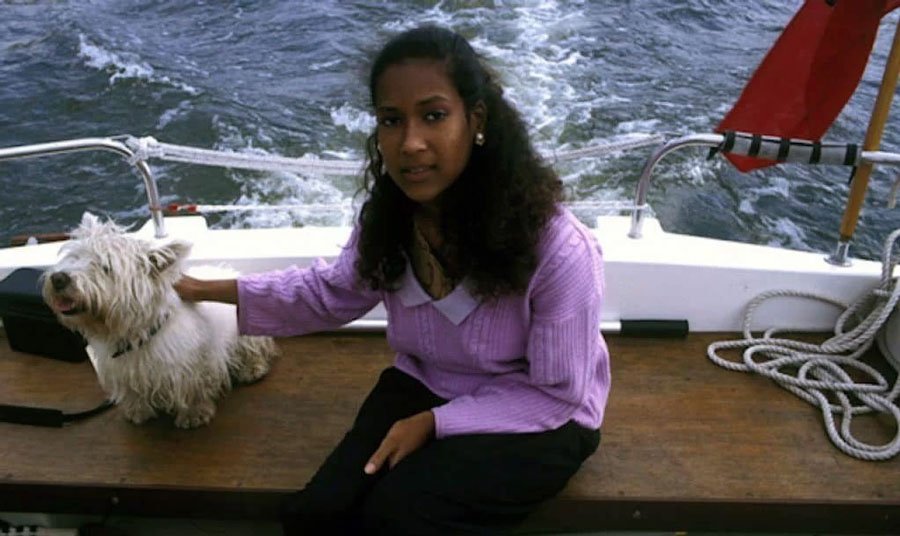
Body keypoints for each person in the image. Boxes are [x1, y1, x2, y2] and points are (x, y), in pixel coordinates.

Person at [175, 25, 610, 535]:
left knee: (402, 515)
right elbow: (330, 292)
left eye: (433, 115)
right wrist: (203, 291)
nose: (410, 143)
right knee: (316, 515)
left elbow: (558, 394)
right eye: (391, 120)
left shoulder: (558, 248)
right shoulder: (391, 219)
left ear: (476, 120)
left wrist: (435, 424)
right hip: (427, 384)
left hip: (540, 418)